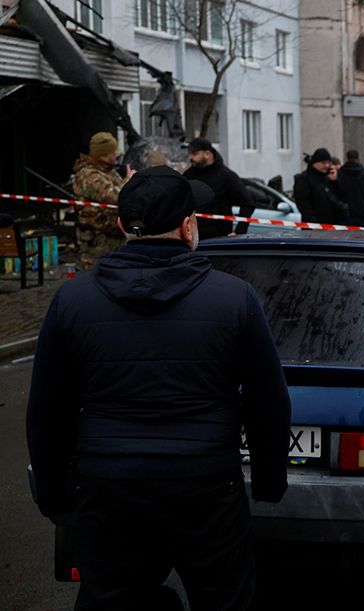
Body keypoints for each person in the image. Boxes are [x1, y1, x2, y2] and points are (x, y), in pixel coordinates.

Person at [26, 166, 292, 609]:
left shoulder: (72, 300)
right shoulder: (234, 298)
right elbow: (269, 403)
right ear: (189, 227)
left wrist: (56, 494)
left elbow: (48, 410)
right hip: (206, 488)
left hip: (110, 489)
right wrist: (269, 482)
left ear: (119, 225)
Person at [73, 132, 131, 269]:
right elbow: (116, 197)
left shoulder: (108, 171)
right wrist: (128, 181)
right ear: (103, 155)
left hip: (114, 237)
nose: (117, 156)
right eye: (113, 153)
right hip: (97, 242)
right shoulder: (88, 175)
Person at [183, 138, 254, 240]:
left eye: (194, 153)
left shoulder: (226, 176)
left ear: (207, 154)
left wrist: (239, 231)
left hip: (218, 241)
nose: (190, 157)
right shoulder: (189, 175)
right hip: (193, 239)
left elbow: (248, 203)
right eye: (189, 153)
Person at [293, 148, 350, 225]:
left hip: (333, 225)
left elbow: (343, 196)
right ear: (315, 163)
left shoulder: (329, 177)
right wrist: (313, 223)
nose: (326, 165)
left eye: (328, 163)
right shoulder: (304, 179)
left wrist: (335, 181)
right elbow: (303, 204)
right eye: (323, 163)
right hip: (315, 227)